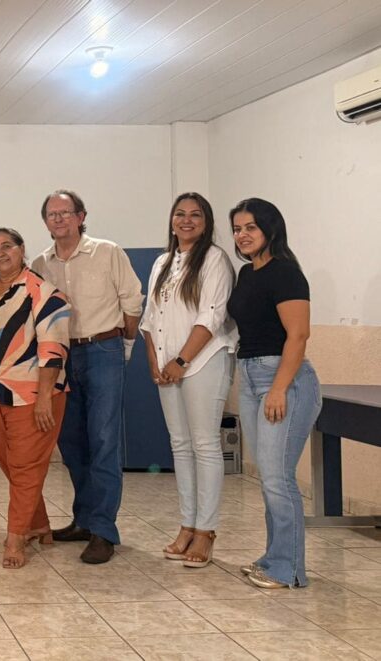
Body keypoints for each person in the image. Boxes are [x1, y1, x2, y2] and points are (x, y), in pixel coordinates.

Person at [31, 189, 143, 564]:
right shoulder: (40, 264)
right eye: (52, 214)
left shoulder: (108, 252)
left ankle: (103, 531)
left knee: (104, 440)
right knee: (72, 442)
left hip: (103, 350)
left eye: (66, 212)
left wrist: (125, 343)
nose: (59, 219)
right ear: (46, 222)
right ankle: (83, 519)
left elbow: (132, 300)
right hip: (61, 358)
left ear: (81, 217)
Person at [227, 197, 320, 589]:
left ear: (270, 228)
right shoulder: (247, 273)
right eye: (237, 229)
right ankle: (274, 557)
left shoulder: (286, 273)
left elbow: (298, 335)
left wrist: (279, 388)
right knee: (268, 476)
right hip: (250, 377)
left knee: (278, 477)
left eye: (251, 227)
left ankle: (289, 569)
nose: (242, 235)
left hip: (284, 380)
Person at [141, 193, 237, 569]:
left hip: (204, 362)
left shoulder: (214, 259)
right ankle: (187, 525)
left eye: (195, 215)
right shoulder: (162, 263)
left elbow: (211, 316)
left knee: (205, 445)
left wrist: (182, 360)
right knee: (180, 445)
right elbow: (150, 317)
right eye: (180, 214)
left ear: (206, 222)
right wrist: (155, 360)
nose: (186, 220)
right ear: (171, 221)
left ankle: (206, 531)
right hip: (168, 366)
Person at [0, 228, 71, 568]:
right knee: (11, 465)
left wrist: (44, 397)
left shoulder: (43, 292)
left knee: (25, 467)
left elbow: (54, 348)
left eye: (7, 246)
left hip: (33, 395)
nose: (0, 253)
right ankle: (38, 524)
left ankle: (15, 537)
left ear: (21, 249)